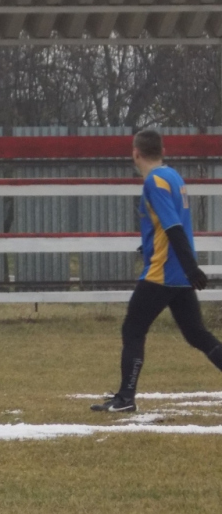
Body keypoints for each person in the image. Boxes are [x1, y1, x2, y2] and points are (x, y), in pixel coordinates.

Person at [91, 129, 221, 412]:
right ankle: (125, 396)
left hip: (163, 273)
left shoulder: (154, 181)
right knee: (197, 334)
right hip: (177, 273)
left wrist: (189, 265)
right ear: (161, 151)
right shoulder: (173, 176)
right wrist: (152, 250)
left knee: (133, 329)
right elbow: (168, 226)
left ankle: (126, 398)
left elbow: (173, 225)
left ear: (136, 152)